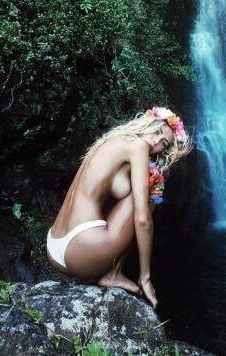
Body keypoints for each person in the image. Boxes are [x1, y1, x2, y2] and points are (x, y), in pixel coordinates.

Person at [46, 106, 193, 309]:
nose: (155, 141)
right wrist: (145, 276)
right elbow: (142, 219)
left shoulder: (113, 140)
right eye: (158, 131)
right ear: (149, 122)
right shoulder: (138, 146)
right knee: (154, 185)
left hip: (54, 245)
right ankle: (113, 272)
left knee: (148, 180)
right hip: (80, 252)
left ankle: (111, 272)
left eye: (164, 144)